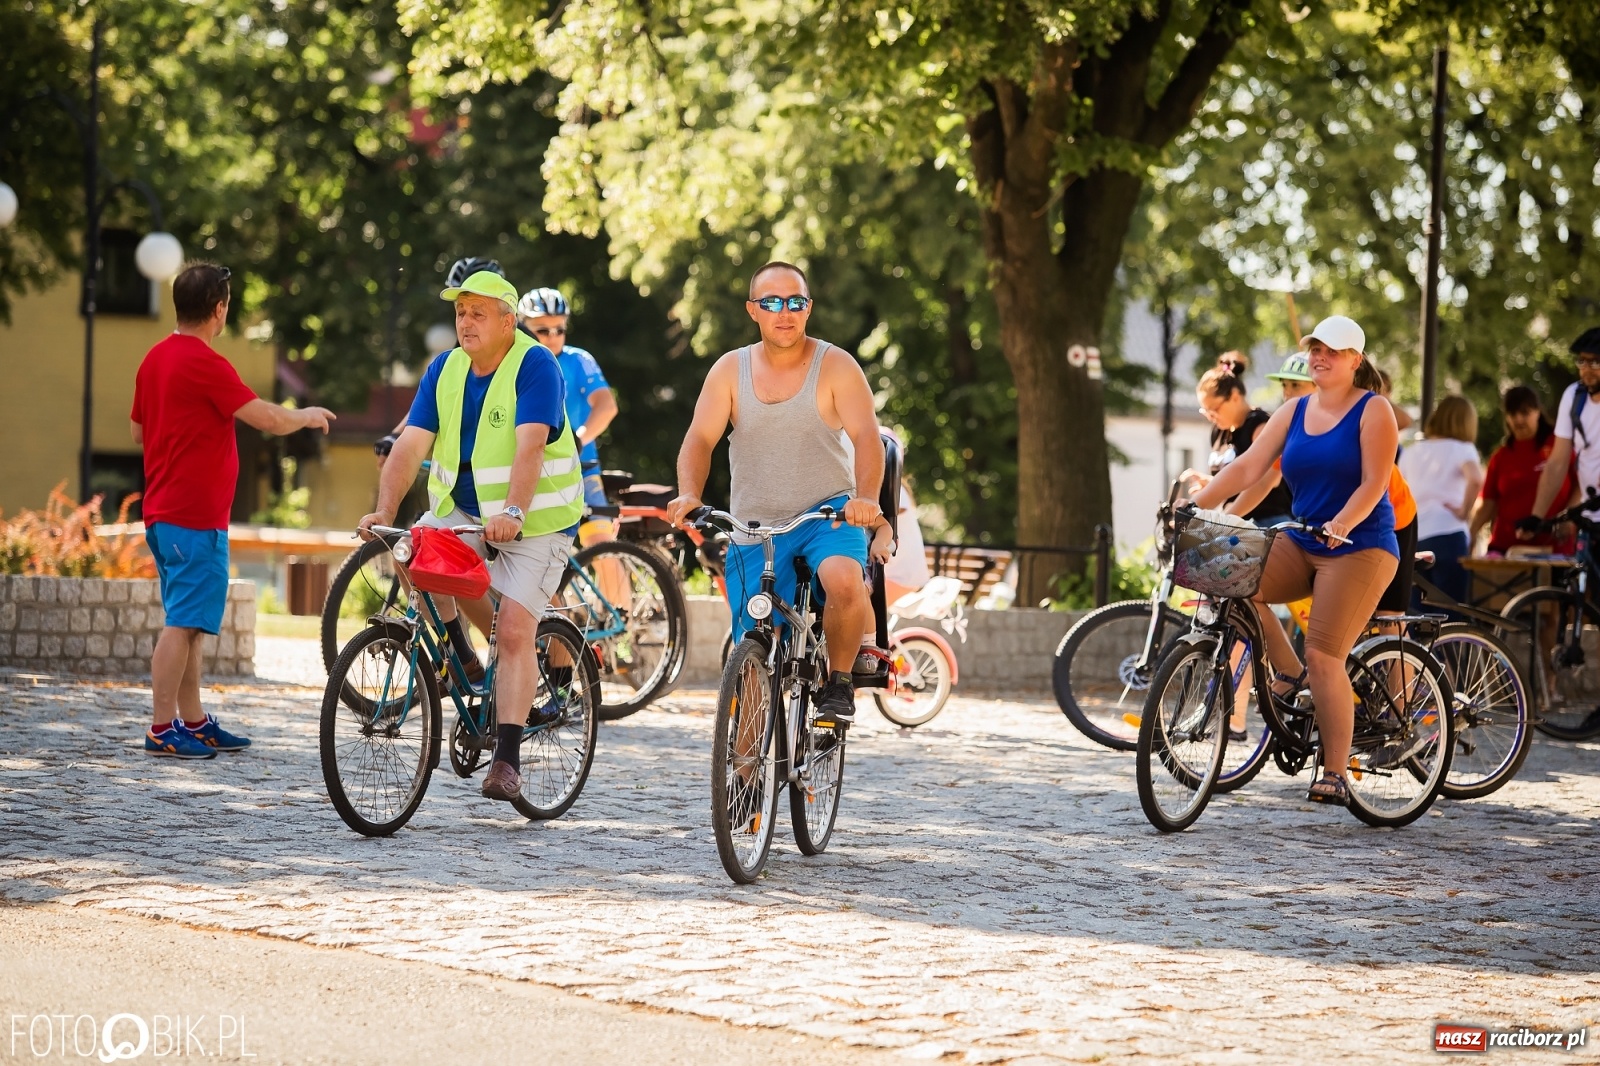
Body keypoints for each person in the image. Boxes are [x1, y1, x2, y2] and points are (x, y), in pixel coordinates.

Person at [359, 270, 584, 805]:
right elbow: (410, 446)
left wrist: (512, 510)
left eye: (477, 313)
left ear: (508, 322)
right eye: (460, 313)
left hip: (537, 519)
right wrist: (383, 511)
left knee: (512, 628)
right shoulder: (445, 368)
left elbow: (529, 448)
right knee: (412, 555)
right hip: (464, 509)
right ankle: (463, 657)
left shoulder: (535, 365)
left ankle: (506, 759)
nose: (465, 322)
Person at [1190, 315, 1399, 808]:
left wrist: (1344, 522)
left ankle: (1335, 770)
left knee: (1325, 655)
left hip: (1360, 546)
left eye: (1332, 349)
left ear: (1356, 360)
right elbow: (1247, 466)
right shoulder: (1295, 410)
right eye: (1314, 348)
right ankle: (1288, 673)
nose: (1319, 356)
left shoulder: (1375, 411)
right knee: (1234, 582)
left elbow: (1374, 483)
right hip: (1306, 539)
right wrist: (1198, 506)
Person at [666, 261, 885, 728]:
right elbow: (699, 439)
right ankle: (745, 793)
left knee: (844, 581)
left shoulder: (836, 365)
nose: (784, 312)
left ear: (808, 309)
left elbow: (868, 437)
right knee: (750, 672)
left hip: (828, 517)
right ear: (753, 311)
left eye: (795, 302)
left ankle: (839, 684)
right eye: (771, 302)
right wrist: (689, 493)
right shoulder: (730, 370)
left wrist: (865, 498)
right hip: (755, 529)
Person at [132, 262, 335, 758]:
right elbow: (263, 416)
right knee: (182, 624)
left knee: (192, 623)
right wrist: (305, 415)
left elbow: (139, 433)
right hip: (191, 519)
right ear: (219, 309)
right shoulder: (205, 363)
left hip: (168, 514)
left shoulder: (154, 359)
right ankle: (162, 728)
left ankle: (194, 720)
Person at [517, 287, 619, 548]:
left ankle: (620, 592)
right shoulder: (514, 362)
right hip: (532, 468)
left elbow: (607, 406)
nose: (552, 337)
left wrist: (580, 439)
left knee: (601, 548)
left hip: (581, 468)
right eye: (542, 330)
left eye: (559, 329)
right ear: (521, 326)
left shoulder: (578, 360)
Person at [1471, 386, 1575, 555]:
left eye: (1525, 413)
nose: (1519, 420)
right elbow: (1488, 502)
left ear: (1538, 412)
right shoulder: (1501, 456)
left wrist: (1569, 518)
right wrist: (1471, 534)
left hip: (1553, 547)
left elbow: (1580, 485)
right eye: (1513, 414)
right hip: (1506, 547)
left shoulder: (1558, 445)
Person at [1398, 396, 1483, 604]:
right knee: (1450, 611)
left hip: (1415, 536)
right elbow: (1475, 479)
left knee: (1416, 613)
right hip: (1449, 534)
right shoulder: (1462, 448)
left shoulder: (1411, 451)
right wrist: (1464, 512)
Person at [1188, 365, 1294, 526]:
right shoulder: (1219, 432)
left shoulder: (1259, 425)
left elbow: (1266, 480)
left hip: (1267, 521)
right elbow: (1236, 481)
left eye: (1215, 409)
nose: (1211, 417)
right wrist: (1212, 485)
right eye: (1206, 412)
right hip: (1234, 523)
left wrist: (1227, 518)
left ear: (1235, 396)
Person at [1522, 328, 1600, 533]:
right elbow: (1557, 462)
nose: (1586, 369)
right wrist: (1536, 516)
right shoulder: (1574, 396)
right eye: (1582, 361)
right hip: (1590, 519)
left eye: (1595, 362)